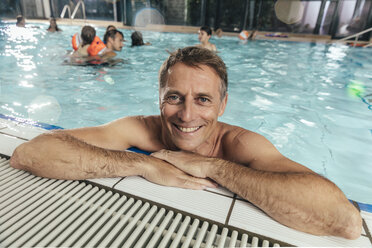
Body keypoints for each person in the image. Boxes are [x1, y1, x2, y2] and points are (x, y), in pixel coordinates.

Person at [10, 46, 361, 239]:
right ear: (159, 98)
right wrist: (144, 164)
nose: (187, 115)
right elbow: (31, 152)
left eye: (203, 100)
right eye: (175, 97)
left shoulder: (240, 145)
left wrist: (213, 166)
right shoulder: (141, 129)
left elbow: (344, 219)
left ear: (223, 105)